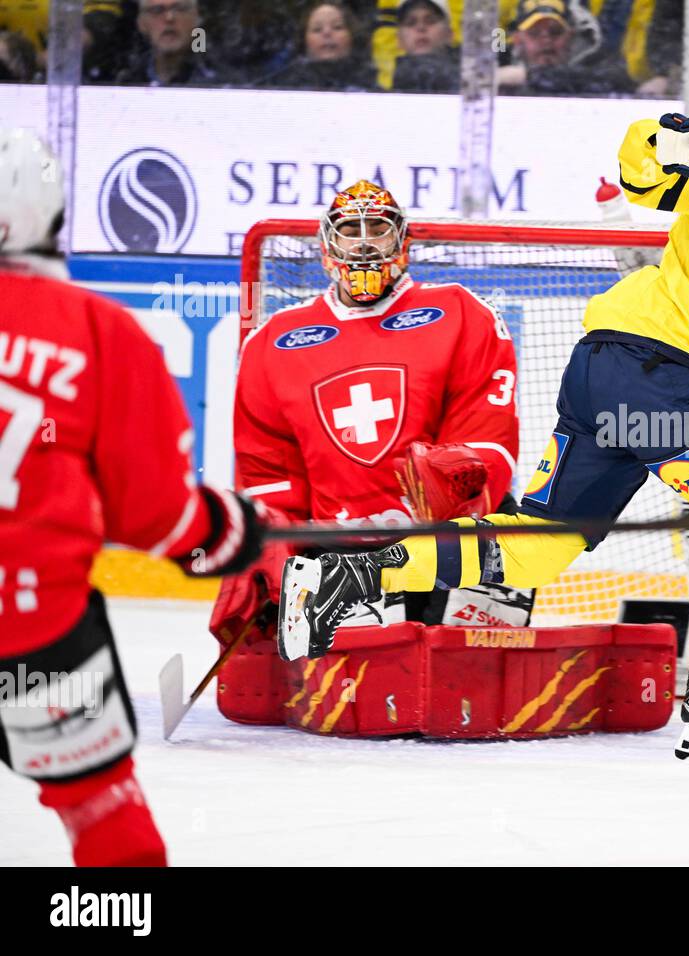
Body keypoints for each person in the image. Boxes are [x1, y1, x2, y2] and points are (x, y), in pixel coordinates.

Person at [280, 114, 689, 762]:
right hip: (661, 372)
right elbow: (642, 176)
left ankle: (346, 578)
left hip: (608, 378)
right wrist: (679, 138)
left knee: (537, 547)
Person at [0, 128, 264, 866]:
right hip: (32, 629)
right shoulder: (96, 331)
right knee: (102, 814)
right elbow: (153, 512)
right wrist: (221, 530)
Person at [209, 179, 523, 725]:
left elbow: (487, 444)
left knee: (465, 703)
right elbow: (268, 477)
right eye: (349, 230)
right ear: (327, 246)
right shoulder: (271, 344)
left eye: (376, 228)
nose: (363, 244)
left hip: (439, 541)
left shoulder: (459, 312)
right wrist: (268, 546)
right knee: (361, 712)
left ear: (401, 239)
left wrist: (422, 508)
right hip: (337, 555)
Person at [497, 0, 631, 96]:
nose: (546, 40)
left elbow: (620, 81)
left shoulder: (596, 61)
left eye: (555, 32)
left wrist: (530, 76)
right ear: (518, 40)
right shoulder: (501, 60)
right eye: (534, 33)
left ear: (570, 37)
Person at [262, 2, 377, 92]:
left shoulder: (373, 81)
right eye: (317, 29)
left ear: (352, 37)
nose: (327, 32)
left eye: (337, 27)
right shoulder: (283, 86)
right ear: (304, 41)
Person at [116, 0, 223, 87]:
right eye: (157, 10)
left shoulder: (223, 83)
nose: (169, 18)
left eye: (180, 9)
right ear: (141, 23)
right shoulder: (125, 84)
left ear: (196, 17)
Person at [390, 0, 458, 93]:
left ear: (449, 35)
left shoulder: (468, 81)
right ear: (399, 40)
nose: (421, 27)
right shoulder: (378, 94)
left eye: (430, 21)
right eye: (410, 22)